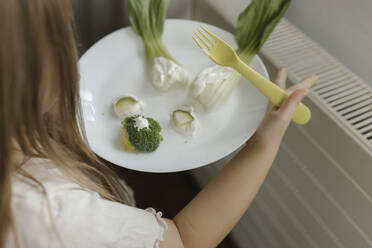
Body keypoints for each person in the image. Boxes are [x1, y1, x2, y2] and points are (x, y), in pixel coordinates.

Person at [0, 1, 319, 248]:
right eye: (61, 48)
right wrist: (263, 144)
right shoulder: (52, 215)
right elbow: (184, 239)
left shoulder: (21, 145)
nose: (78, 70)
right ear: (22, 79)